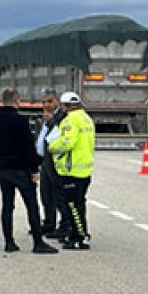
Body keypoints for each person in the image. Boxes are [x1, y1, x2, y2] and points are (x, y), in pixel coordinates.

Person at [0, 88, 57, 254]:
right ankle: (38, 242)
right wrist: (34, 169)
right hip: (21, 169)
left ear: (2, 101)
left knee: (7, 205)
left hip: (3, 168)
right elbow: (28, 147)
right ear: (17, 101)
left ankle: (9, 242)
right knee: (31, 205)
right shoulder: (20, 121)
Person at [48, 91, 96, 249]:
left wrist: (52, 147)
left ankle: (79, 238)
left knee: (74, 207)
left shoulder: (71, 120)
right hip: (84, 169)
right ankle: (80, 234)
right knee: (79, 204)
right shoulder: (86, 118)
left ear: (66, 106)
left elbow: (67, 142)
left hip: (71, 170)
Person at [35, 89, 64, 237]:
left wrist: (51, 121)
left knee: (58, 195)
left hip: (56, 161)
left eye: (50, 101)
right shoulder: (42, 118)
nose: (46, 104)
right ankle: (48, 223)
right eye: (44, 102)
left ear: (57, 101)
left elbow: (59, 135)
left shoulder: (61, 116)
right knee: (46, 194)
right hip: (45, 160)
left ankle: (64, 225)